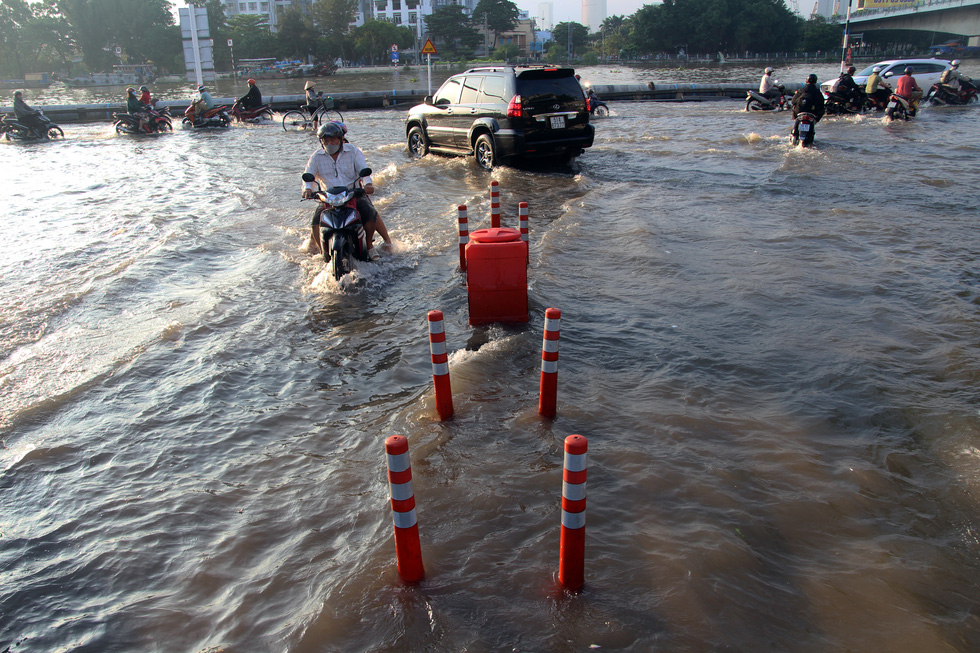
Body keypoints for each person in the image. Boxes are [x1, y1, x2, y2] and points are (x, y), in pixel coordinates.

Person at [302, 122, 391, 259]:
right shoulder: (316, 156)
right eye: (326, 141)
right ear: (322, 142)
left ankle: (369, 245)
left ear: (340, 140)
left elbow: (363, 171)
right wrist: (308, 189)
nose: (330, 143)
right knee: (315, 222)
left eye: (333, 140)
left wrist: (368, 184)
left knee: (370, 214)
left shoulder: (353, 151)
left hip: (353, 195)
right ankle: (322, 253)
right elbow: (309, 176)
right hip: (328, 197)